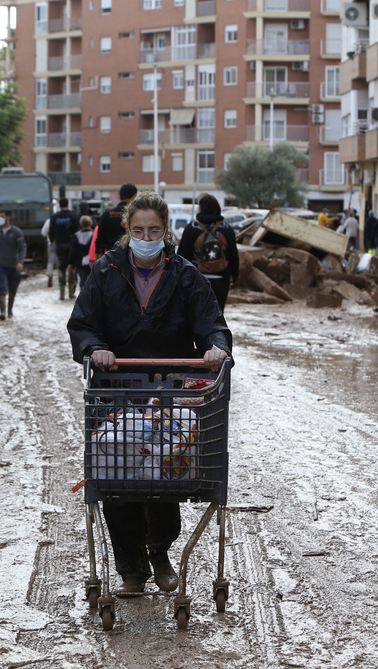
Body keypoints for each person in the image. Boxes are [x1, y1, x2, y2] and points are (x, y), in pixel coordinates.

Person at [67, 190, 232, 594]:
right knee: (118, 475)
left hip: (170, 392)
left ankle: (159, 552)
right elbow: (83, 324)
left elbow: (211, 323)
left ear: (165, 231)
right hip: (118, 388)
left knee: (164, 475)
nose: (146, 236)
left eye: (153, 229)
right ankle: (131, 571)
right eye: (138, 229)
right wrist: (95, 349)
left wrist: (216, 347)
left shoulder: (185, 275)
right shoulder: (105, 273)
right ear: (126, 229)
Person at [178, 193, 240, 313]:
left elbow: (182, 256)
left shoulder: (192, 228)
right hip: (221, 278)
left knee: (196, 314)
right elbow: (233, 255)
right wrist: (235, 275)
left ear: (200, 209)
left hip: (197, 279)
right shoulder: (226, 228)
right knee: (218, 314)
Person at [0, 209, 27, 320]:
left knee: (12, 288)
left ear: (8, 218)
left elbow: (22, 248)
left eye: (2, 216)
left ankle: (10, 310)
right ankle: (2, 311)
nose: (0, 218)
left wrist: (20, 262)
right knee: (1, 286)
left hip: (13, 265)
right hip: (0, 264)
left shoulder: (16, 232)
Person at [93, 183, 137, 259]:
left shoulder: (107, 215)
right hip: (133, 259)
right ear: (134, 196)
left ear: (120, 196)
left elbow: (100, 241)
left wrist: (98, 262)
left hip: (112, 258)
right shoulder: (136, 215)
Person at [50, 198, 80, 300]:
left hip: (60, 245)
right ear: (68, 204)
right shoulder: (73, 216)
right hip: (72, 245)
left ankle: (62, 293)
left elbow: (51, 230)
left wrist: (52, 240)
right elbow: (77, 231)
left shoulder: (55, 217)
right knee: (72, 266)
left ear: (59, 204)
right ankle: (71, 292)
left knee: (61, 268)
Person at [67, 215, 95, 291]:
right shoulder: (94, 234)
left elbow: (73, 251)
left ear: (81, 224)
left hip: (79, 262)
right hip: (91, 260)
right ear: (90, 223)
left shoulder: (76, 235)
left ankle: (83, 297)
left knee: (82, 280)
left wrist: (70, 263)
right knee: (92, 280)